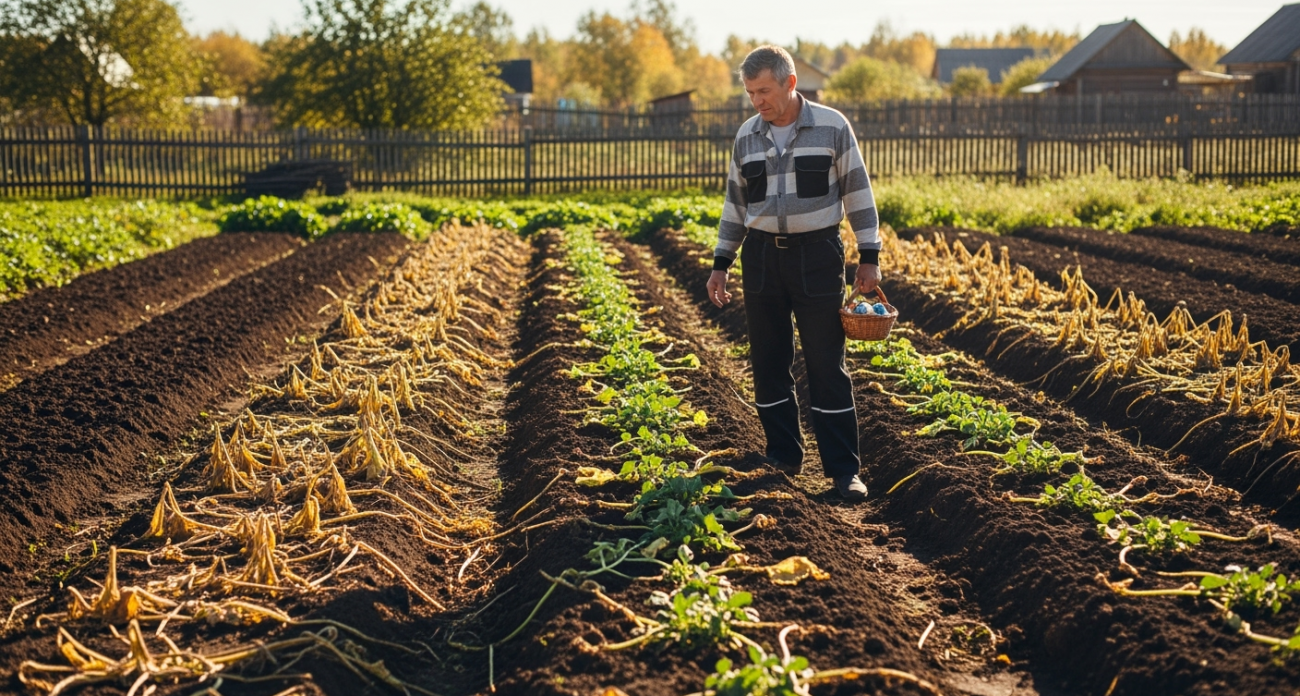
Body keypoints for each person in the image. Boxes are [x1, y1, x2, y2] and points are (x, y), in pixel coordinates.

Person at [705, 45, 881, 501]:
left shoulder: (831, 126)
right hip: (761, 257)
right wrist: (721, 263)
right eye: (750, 93)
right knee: (768, 361)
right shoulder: (747, 135)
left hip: (817, 255)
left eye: (764, 90)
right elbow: (735, 204)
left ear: (790, 82)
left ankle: (844, 471)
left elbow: (857, 192)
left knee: (826, 362)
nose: (757, 101)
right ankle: (783, 456)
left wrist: (869, 254)